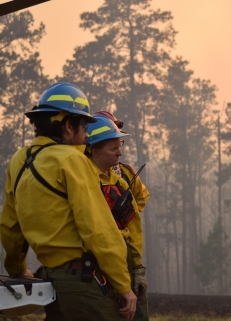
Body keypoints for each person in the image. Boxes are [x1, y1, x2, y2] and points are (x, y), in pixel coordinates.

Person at [0, 82, 137, 321]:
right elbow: (98, 229)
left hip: (50, 281)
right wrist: (124, 285)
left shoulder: (20, 160)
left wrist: (17, 269)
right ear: (68, 125)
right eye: (84, 125)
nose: (86, 134)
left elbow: (11, 227)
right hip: (85, 282)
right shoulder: (73, 160)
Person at [85, 115, 149, 321]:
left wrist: (137, 267)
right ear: (94, 149)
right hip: (94, 261)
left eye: (119, 144)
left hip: (124, 255)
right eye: (113, 148)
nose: (119, 152)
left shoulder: (123, 179)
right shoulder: (81, 179)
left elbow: (135, 223)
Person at [92, 111, 150, 213]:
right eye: (113, 148)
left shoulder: (126, 173)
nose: (119, 153)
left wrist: (126, 211)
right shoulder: (84, 172)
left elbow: (142, 196)